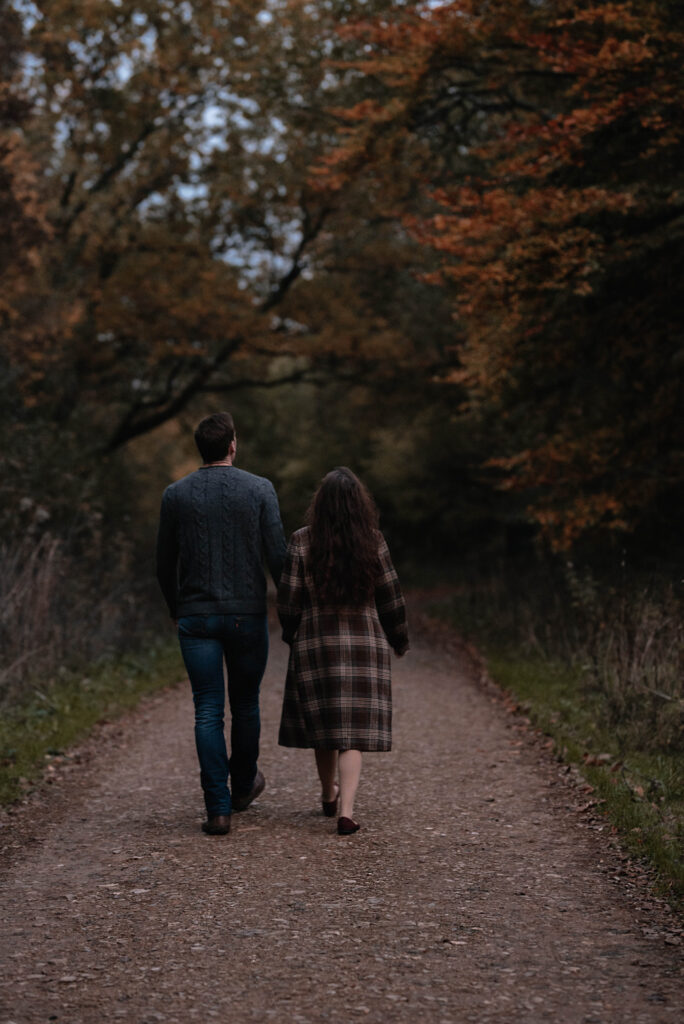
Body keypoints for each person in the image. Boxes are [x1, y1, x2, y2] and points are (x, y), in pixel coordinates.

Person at [156, 411, 286, 836]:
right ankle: (243, 785)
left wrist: (176, 608)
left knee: (207, 710)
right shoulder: (260, 488)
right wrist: (291, 610)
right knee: (245, 703)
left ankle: (218, 810)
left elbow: (163, 564)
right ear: (232, 445)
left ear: (201, 448)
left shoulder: (175, 495)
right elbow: (278, 557)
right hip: (247, 615)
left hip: (196, 617)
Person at [277, 466, 408, 835]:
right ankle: (346, 812)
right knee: (352, 734)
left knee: (325, 725)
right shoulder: (373, 541)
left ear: (320, 504)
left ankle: (327, 793)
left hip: (316, 643)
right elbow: (391, 597)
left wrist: (292, 633)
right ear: (358, 504)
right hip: (364, 645)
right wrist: (399, 638)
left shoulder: (301, 540)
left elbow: (288, 599)